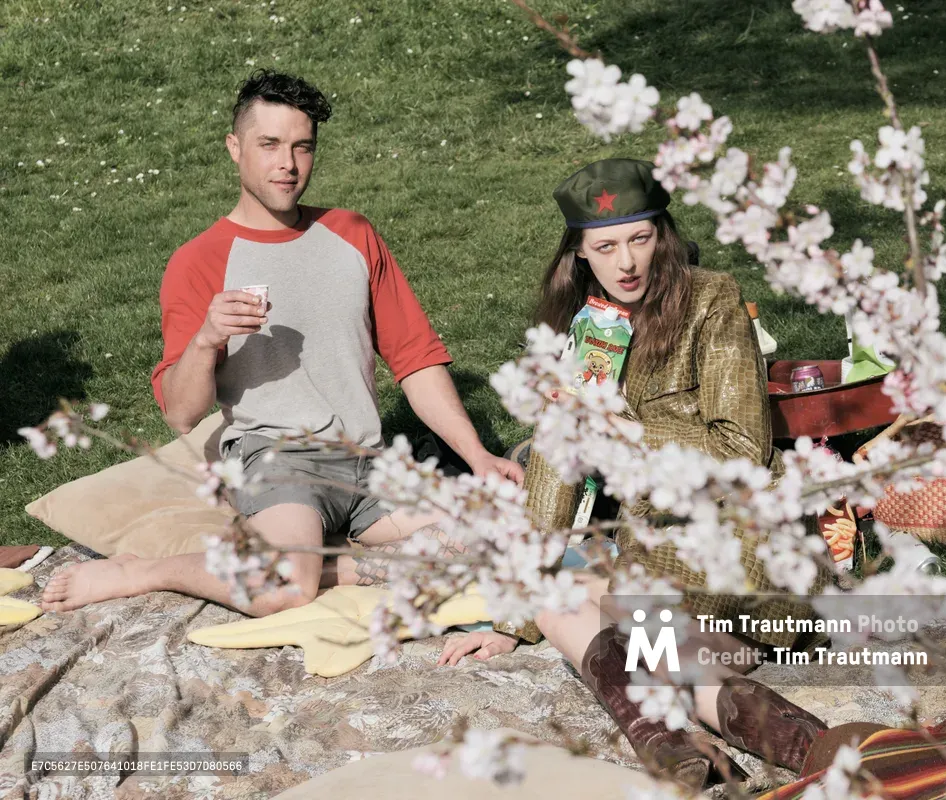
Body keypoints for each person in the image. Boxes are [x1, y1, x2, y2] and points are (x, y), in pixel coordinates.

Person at [41, 70, 522, 615]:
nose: (287, 164)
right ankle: (142, 571)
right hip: (279, 459)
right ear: (235, 148)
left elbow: (415, 359)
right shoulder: (199, 260)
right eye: (269, 144)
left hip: (368, 461)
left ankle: (336, 564)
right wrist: (206, 340)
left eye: (302, 147)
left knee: (500, 537)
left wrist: (477, 454)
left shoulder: (353, 233)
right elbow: (180, 413)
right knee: (284, 589)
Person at [437, 159, 827, 789]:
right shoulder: (583, 328)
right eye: (607, 246)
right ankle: (733, 746)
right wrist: (510, 623)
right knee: (555, 595)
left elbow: (743, 447)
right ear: (580, 253)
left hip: (741, 562)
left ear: (663, 236)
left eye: (640, 239)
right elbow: (558, 464)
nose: (627, 263)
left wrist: (622, 428)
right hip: (669, 586)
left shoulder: (711, 299)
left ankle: (674, 738)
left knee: (604, 601)